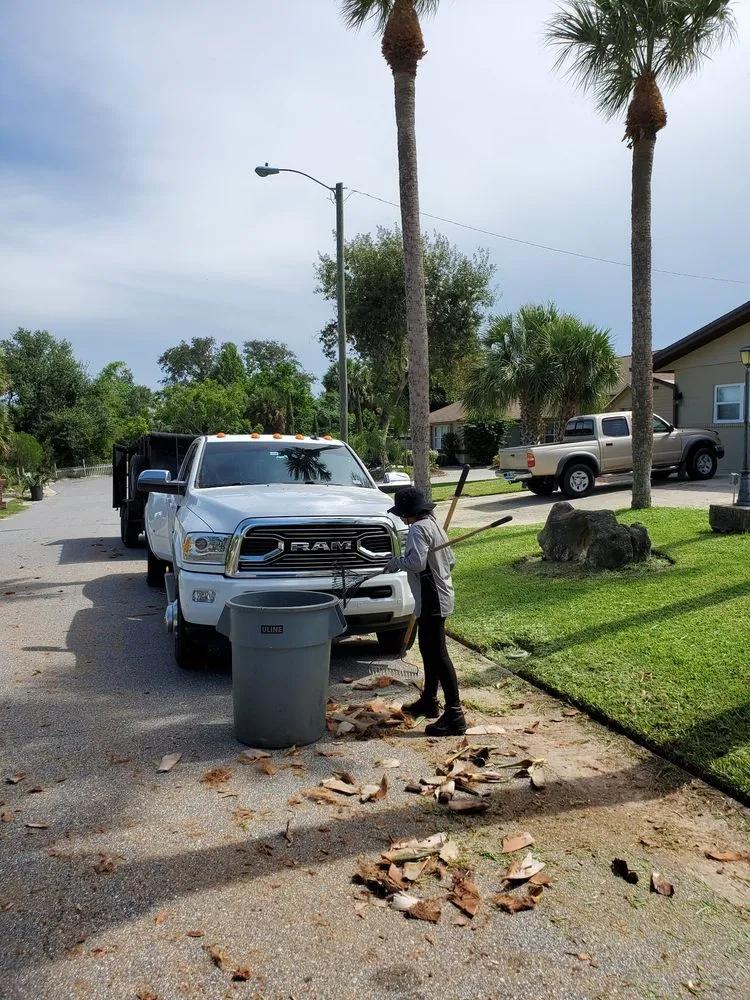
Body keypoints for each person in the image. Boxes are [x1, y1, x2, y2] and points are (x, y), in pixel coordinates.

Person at [385, 487, 466, 737]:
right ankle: (429, 701)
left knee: (438, 655)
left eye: (402, 514)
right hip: (437, 596)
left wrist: (395, 562)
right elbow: (450, 560)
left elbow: (417, 563)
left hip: (432, 599)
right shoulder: (433, 524)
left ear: (410, 513)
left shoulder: (419, 528)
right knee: (428, 651)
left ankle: (455, 715)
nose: (401, 519)